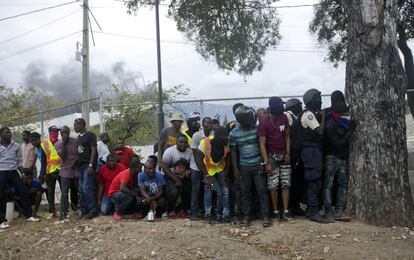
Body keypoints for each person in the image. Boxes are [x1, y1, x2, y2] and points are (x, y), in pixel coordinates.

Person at [230, 106, 271, 227]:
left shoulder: (257, 130)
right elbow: (233, 152)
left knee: (262, 190)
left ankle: (265, 216)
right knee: (245, 192)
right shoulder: (234, 133)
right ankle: (246, 216)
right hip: (244, 167)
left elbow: (264, 146)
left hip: (257, 165)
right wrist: (236, 169)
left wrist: (264, 162)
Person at [298, 89, 331, 223]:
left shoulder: (310, 113)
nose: (321, 100)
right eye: (318, 98)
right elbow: (320, 131)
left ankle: (312, 209)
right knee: (314, 180)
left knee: (315, 180)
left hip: (313, 150)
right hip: (311, 150)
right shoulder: (308, 114)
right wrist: (323, 117)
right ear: (312, 100)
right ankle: (312, 211)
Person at [258, 97, 292, 221]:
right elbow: (262, 143)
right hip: (271, 156)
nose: (283, 108)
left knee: (286, 183)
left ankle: (286, 211)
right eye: (281, 106)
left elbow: (287, 136)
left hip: (284, 154)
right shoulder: (264, 121)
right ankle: (276, 211)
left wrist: (288, 153)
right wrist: (266, 161)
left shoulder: (284, 118)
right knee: (273, 186)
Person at [0, 127, 39, 229]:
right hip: (2, 173)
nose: (9, 134)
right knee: (1, 196)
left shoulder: (16, 146)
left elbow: (19, 162)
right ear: (1, 135)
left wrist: (22, 173)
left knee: (23, 191)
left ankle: (29, 215)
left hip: (13, 172)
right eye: (6, 133)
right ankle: (2, 221)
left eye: (10, 132)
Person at [323, 101, 352, 222]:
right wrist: (350, 131)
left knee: (342, 184)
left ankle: (340, 209)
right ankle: (328, 209)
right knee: (328, 185)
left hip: (342, 157)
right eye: (345, 112)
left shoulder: (344, 123)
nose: (348, 113)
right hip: (332, 157)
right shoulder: (330, 125)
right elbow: (338, 144)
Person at [198, 126, 231, 223]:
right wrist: (206, 175)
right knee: (209, 189)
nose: (225, 140)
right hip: (208, 169)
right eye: (223, 138)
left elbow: (228, 161)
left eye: (226, 137)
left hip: (220, 169)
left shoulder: (226, 144)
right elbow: (199, 160)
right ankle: (207, 214)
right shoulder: (205, 143)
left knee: (225, 190)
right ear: (217, 138)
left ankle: (224, 214)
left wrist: (225, 175)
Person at [30, 129, 61, 219]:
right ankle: (53, 211)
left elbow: (44, 162)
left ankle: (58, 211)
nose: (33, 142)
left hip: (54, 170)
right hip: (50, 170)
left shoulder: (43, 145)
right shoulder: (38, 148)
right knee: (50, 192)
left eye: (34, 140)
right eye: (31, 140)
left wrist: (42, 174)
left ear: (39, 139)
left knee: (53, 191)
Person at [161, 135, 192, 218]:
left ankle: (184, 210)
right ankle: (171, 210)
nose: (183, 144)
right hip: (170, 176)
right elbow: (165, 168)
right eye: (181, 142)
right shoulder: (169, 151)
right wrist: (176, 179)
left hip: (184, 176)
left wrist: (189, 173)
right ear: (176, 142)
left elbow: (191, 166)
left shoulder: (190, 152)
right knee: (173, 192)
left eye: (185, 142)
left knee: (189, 190)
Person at [285, 98, 306, 216]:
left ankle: (296, 206)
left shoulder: (296, 116)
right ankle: (291, 207)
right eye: (299, 105)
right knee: (290, 181)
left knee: (296, 182)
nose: (301, 107)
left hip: (297, 153)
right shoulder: (288, 116)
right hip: (291, 154)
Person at [74, 118, 98, 219]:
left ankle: (92, 210)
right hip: (80, 166)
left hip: (88, 165)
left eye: (76, 125)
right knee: (80, 189)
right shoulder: (79, 137)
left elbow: (93, 150)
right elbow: (80, 152)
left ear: (82, 125)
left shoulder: (90, 135)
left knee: (86, 188)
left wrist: (91, 165)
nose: (74, 127)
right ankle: (84, 211)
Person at [190, 117, 213, 220]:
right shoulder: (197, 136)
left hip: (208, 166)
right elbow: (195, 154)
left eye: (211, 123)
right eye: (207, 123)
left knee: (207, 188)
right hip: (196, 166)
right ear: (203, 124)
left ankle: (206, 212)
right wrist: (204, 171)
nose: (210, 125)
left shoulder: (213, 135)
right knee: (196, 189)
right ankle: (193, 212)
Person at [54, 126, 79, 221]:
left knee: (80, 190)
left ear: (69, 132)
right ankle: (63, 213)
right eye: (62, 133)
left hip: (76, 170)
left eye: (66, 132)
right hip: (65, 170)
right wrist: (64, 143)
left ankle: (81, 210)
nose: (64, 134)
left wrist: (75, 162)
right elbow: (62, 156)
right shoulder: (57, 144)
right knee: (64, 193)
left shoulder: (76, 141)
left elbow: (79, 154)